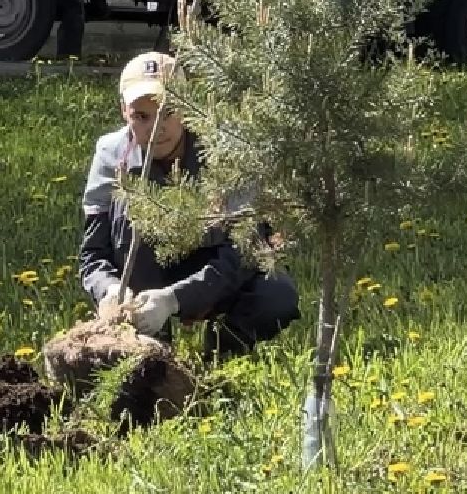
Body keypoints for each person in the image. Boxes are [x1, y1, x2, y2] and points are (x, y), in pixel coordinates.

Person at [78, 51, 300, 358]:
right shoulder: (110, 154)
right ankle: (149, 350)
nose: (157, 129)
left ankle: (224, 351)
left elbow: (245, 253)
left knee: (276, 295)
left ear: (186, 107)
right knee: (128, 208)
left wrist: (176, 299)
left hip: (215, 268)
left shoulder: (227, 153)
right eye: (141, 116)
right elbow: (94, 253)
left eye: (168, 112)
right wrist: (110, 290)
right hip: (144, 275)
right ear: (123, 112)